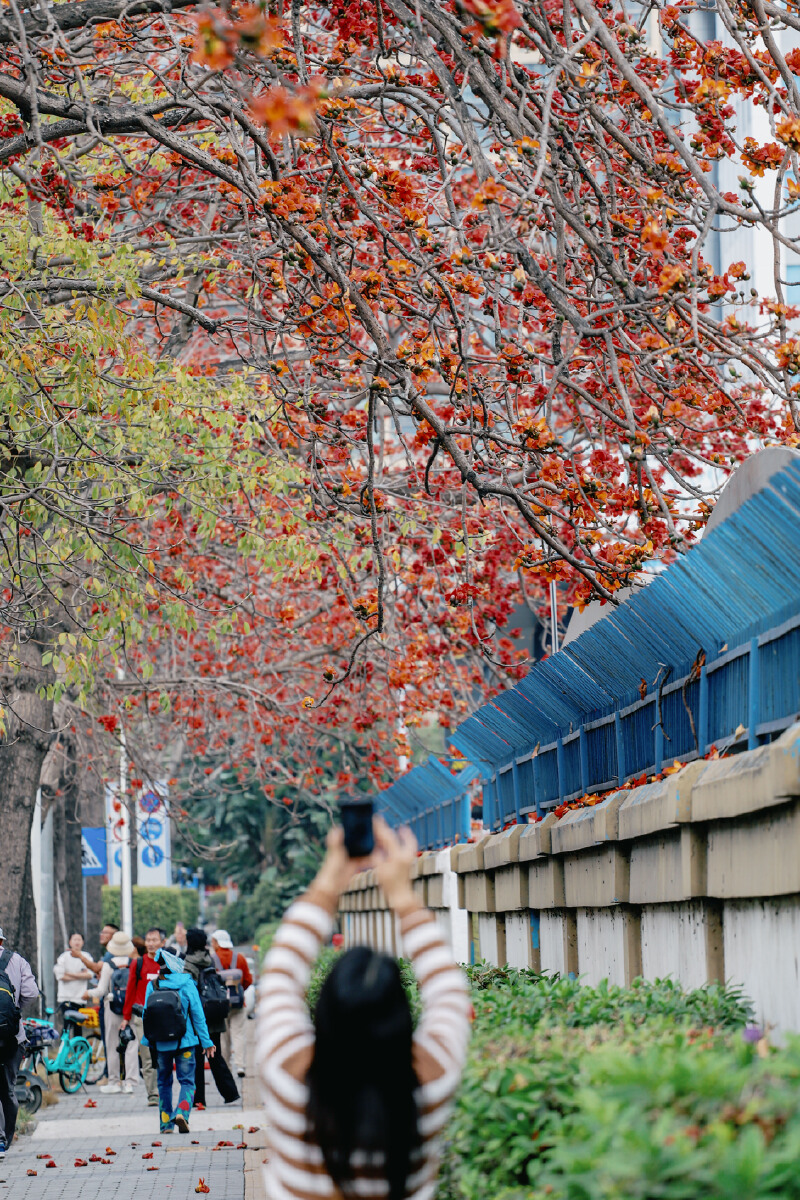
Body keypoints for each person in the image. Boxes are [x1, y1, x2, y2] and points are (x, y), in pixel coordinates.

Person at [256, 819, 471, 1200]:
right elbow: (449, 993)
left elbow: (280, 977)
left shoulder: (287, 1072)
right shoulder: (432, 1081)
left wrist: (330, 880)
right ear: (402, 1017)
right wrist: (402, 894)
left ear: (323, 1013)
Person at [141, 949, 214, 1134]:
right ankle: (182, 1112)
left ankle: (166, 1124)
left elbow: (146, 1016)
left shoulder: (153, 985)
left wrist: (148, 1041)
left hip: (160, 1044)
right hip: (185, 1042)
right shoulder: (187, 983)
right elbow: (198, 1016)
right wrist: (206, 1042)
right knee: (187, 1081)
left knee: (163, 1082)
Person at [183, 928, 239, 1107]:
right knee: (215, 1055)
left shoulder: (188, 962)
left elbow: (188, 992)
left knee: (197, 1059)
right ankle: (230, 1093)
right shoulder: (209, 958)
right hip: (213, 1014)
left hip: (198, 1017)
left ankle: (199, 1099)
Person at [83, 930, 140, 1095]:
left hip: (112, 1006)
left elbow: (101, 990)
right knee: (131, 1044)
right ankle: (130, 1082)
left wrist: (88, 993)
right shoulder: (134, 963)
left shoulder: (108, 965)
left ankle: (114, 1081)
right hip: (131, 1008)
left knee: (112, 1043)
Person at [0, 926, 39, 1160]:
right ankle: (5, 1139)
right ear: (1, 941)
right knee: (7, 1089)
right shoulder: (17, 961)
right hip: (13, 1036)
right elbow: (32, 992)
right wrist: (14, 1010)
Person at [120, 927, 162, 1106]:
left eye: (154, 940)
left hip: (163, 1016)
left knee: (163, 1055)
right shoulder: (138, 964)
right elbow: (130, 990)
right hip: (142, 1017)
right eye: (148, 940)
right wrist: (126, 1016)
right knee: (147, 1055)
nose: (151, 943)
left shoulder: (167, 963)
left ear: (162, 942)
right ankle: (153, 1094)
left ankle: (163, 1089)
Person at [75, 923, 120, 1081]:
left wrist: (80, 956)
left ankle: (110, 1075)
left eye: (106, 932)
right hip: (116, 1001)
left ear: (114, 937)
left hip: (109, 1002)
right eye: (102, 931)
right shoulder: (112, 953)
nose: (102, 934)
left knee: (110, 1040)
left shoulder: (110, 954)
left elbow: (96, 968)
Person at [211, 930, 252, 1078]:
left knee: (224, 1037)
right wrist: (238, 992)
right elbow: (248, 980)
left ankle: (226, 1067)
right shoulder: (239, 958)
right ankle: (240, 1065)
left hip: (220, 1005)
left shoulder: (213, 959)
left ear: (217, 942)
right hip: (238, 1004)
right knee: (239, 1034)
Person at [53, 933, 94, 1025]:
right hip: (65, 997)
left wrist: (68, 974)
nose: (77, 942)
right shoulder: (64, 956)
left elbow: (90, 975)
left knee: (78, 1026)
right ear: (70, 942)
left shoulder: (86, 956)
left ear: (83, 942)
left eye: (79, 940)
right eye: (74, 939)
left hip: (80, 998)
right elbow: (60, 976)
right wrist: (81, 975)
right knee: (66, 1024)